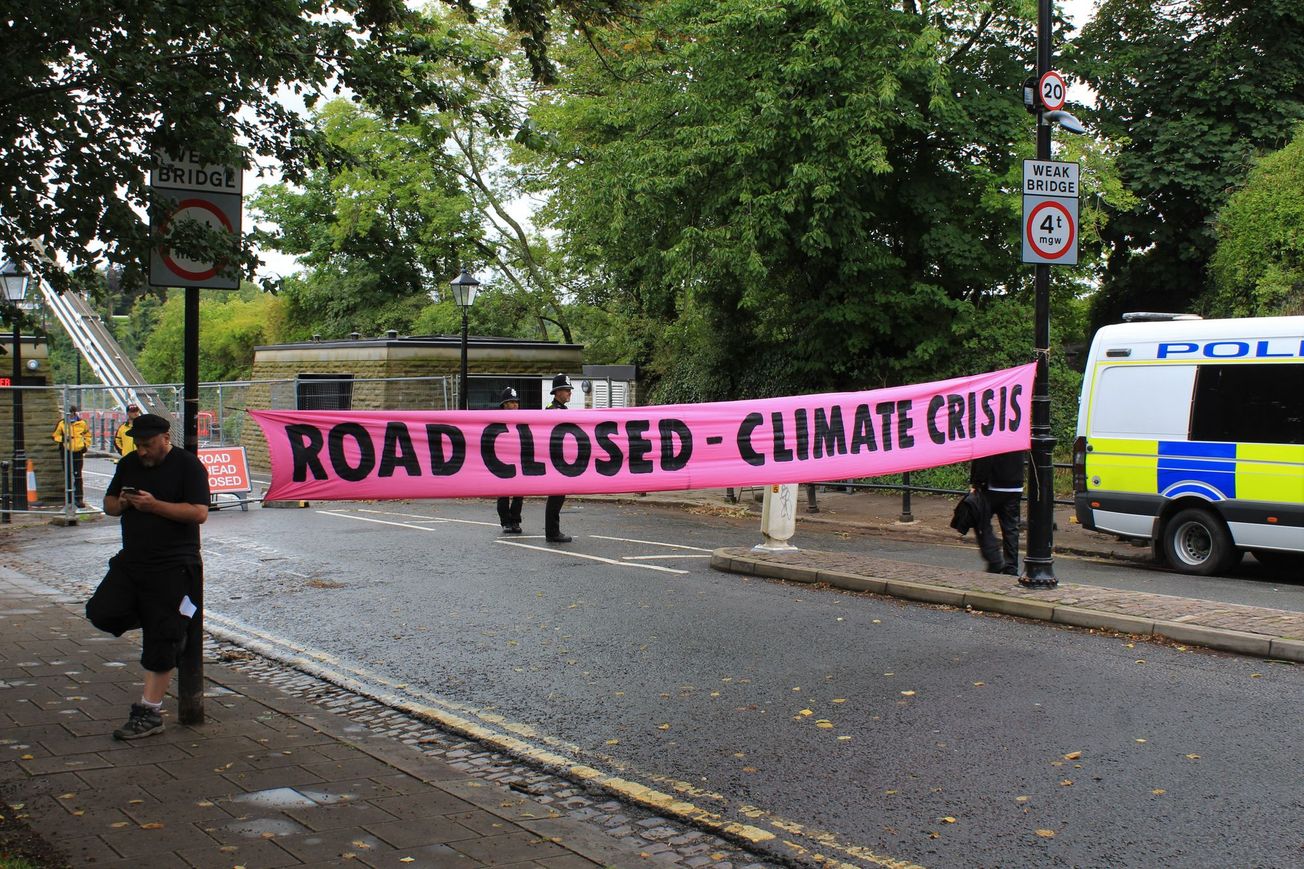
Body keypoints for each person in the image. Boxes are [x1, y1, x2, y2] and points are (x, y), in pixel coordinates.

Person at [86, 414, 211, 740]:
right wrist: (124, 502)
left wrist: (155, 506)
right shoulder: (128, 463)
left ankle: (149, 712)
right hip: (132, 561)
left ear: (165, 438)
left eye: (147, 445)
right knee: (101, 611)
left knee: (161, 639)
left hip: (173, 564)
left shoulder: (187, 466)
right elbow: (109, 505)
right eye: (138, 445)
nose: (142, 451)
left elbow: (199, 513)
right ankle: (164, 625)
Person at [970, 450, 1026, 576]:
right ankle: (1011, 568)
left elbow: (984, 455)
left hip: (992, 484)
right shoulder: (1016, 430)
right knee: (1011, 528)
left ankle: (994, 560)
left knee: (980, 520)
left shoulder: (990, 430)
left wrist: (977, 482)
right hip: (1015, 482)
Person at [544, 373, 574, 543]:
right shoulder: (552, 410)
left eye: (569, 389)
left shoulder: (561, 409)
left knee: (559, 494)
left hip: (561, 459)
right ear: (557, 392)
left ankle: (553, 531)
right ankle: (552, 532)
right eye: (566, 390)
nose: (569, 392)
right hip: (555, 459)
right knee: (556, 494)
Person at [495, 387, 524, 534]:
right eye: (511, 402)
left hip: (518, 459)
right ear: (504, 405)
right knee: (504, 492)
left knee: (519, 492)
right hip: (502, 460)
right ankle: (505, 522)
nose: (515, 405)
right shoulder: (497, 422)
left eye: (516, 402)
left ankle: (515, 520)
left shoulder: (522, 421)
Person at [52, 404, 92, 508]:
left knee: (78, 475)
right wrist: (63, 439)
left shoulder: (82, 423)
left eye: (70, 414)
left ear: (74, 413)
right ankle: (69, 499)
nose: (68, 416)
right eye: (66, 414)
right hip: (66, 451)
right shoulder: (61, 424)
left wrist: (85, 446)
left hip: (78, 451)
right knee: (68, 476)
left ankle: (79, 499)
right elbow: (55, 435)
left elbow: (87, 435)